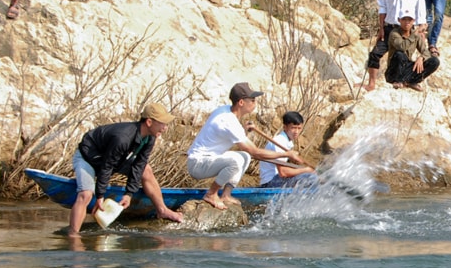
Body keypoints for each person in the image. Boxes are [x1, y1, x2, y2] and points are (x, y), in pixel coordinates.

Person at [67, 103, 185, 235]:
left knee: (146, 170)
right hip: (87, 157)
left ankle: (162, 210)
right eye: (162, 123)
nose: (165, 128)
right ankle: (73, 235)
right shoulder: (122, 138)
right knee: (86, 194)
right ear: (149, 122)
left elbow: (139, 165)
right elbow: (107, 166)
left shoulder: (150, 137)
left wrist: (129, 194)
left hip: (113, 160)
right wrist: (100, 196)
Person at [186, 82, 304, 210]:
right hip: (198, 164)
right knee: (236, 160)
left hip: (209, 159)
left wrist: (243, 130)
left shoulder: (227, 112)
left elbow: (239, 143)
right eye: (252, 100)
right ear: (241, 102)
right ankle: (211, 194)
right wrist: (287, 154)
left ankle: (226, 194)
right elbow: (255, 151)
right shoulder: (228, 120)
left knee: (244, 156)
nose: (255, 103)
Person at [364, 0, 426, 91]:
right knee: (375, 54)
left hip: (407, 30)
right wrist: (381, 28)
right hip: (389, 28)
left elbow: (420, 12)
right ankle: (371, 83)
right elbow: (383, 9)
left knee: (403, 55)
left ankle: (407, 80)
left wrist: (420, 30)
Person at [259, 111, 318, 189]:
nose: (296, 132)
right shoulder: (280, 141)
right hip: (270, 183)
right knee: (310, 177)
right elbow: (283, 172)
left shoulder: (287, 141)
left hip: (276, 179)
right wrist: (305, 170)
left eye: (299, 128)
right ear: (285, 127)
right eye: (293, 128)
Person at [384, 12, 440, 87]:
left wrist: (422, 57)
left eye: (409, 20)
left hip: (405, 69)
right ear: (399, 20)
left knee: (434, 61)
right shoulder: (394, 33)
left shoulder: (415, 34)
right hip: (394, 71)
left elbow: (425, 51)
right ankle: (398, 81)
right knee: (400, 54)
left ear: (413, 21)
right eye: (404, 19)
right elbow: (402, 47)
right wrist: (415, 34)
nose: (407, 22)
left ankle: (411, 81)